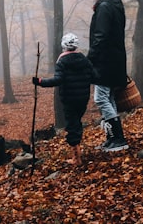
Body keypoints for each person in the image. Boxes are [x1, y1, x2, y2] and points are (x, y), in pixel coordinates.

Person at [32, 32, 96, 165]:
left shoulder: (62, 61)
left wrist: (40, 81)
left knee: (72, 125)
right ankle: (78, 151)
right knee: (77, 122)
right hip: (83, 98)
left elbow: (58, 80)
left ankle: (76, 158)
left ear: (64, 46)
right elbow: (94, 76)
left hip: (69, 99)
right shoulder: (84, 60)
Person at [87, 0, 129, 151]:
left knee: (100, 97)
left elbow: (101, 36)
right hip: (115, 60)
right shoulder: (114, 5)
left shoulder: (104, 7)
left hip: (105, 61)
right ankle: (112, 139)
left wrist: (90, 58)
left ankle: (118, 139)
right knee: (109, 97)